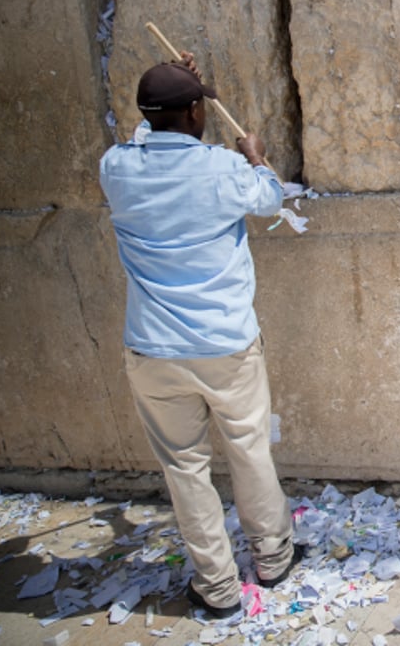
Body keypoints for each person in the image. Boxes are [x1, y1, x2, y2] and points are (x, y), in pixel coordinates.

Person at [99, 55, 299, 618]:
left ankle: (217, 588)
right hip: (226, 345)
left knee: (184, 469)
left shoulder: (116, 167)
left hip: (154, 350)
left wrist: (169, 93)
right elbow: (270, 198)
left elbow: (146, 135)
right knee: (249, 451)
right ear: (194, 112)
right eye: (200, 104)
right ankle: (274, 558)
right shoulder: (224, 169)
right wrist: (258, 160)